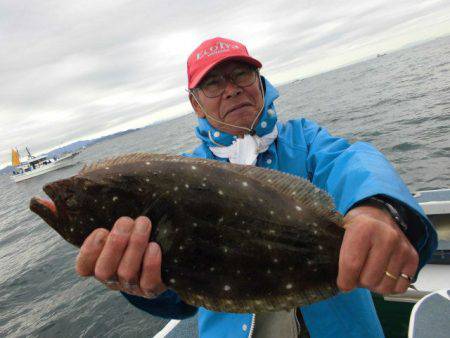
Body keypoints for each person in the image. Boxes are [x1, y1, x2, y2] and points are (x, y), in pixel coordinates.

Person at [75, 37, 437, 337]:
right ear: (195, 104)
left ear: (261, 82)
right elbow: (180, 300)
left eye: (241, 75)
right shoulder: (182, 174)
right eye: (213, 83)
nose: (231, 90)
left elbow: (352, 161)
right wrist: (143, 288)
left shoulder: (305, 141)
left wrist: (376, 208)